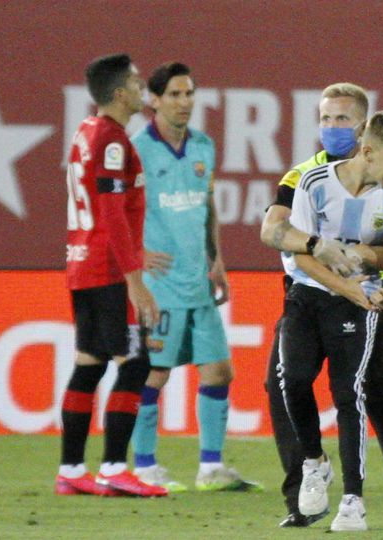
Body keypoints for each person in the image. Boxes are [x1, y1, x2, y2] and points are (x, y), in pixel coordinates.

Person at [260, 84, 383, 529]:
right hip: (308, 291)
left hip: (365, 300)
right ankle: (303, 494)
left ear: (364, 130)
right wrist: (322, 246)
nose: (331, 128)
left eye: (342, 119)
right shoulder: (304, 177)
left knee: (376, 388)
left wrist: (354, 253)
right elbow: (274, 231)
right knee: (283, 384)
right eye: (325, 118)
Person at [129, 62, 260, 493]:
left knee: (219, 370)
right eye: (174, 95)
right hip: (160, 282)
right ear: (153, 100)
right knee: (154, 374)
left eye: (189, 94)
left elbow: (207, 208)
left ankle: (210, 468)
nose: (184, 103)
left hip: (197, 278)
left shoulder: (203, 145)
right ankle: (144, 465)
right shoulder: (136, 149)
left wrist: (217, 258)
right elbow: (113, 210)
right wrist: (136, 254)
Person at [56, 53, 166, 497]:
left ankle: (70, 469)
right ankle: (115, 467)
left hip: (82, 262)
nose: (144, 90)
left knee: (91, 362)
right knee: (136, 363)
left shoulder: (87, 131)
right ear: (120, 93)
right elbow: (112, 213)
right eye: (138, 84)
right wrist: (135, 280)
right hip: (107, 269)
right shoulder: (113, 140)